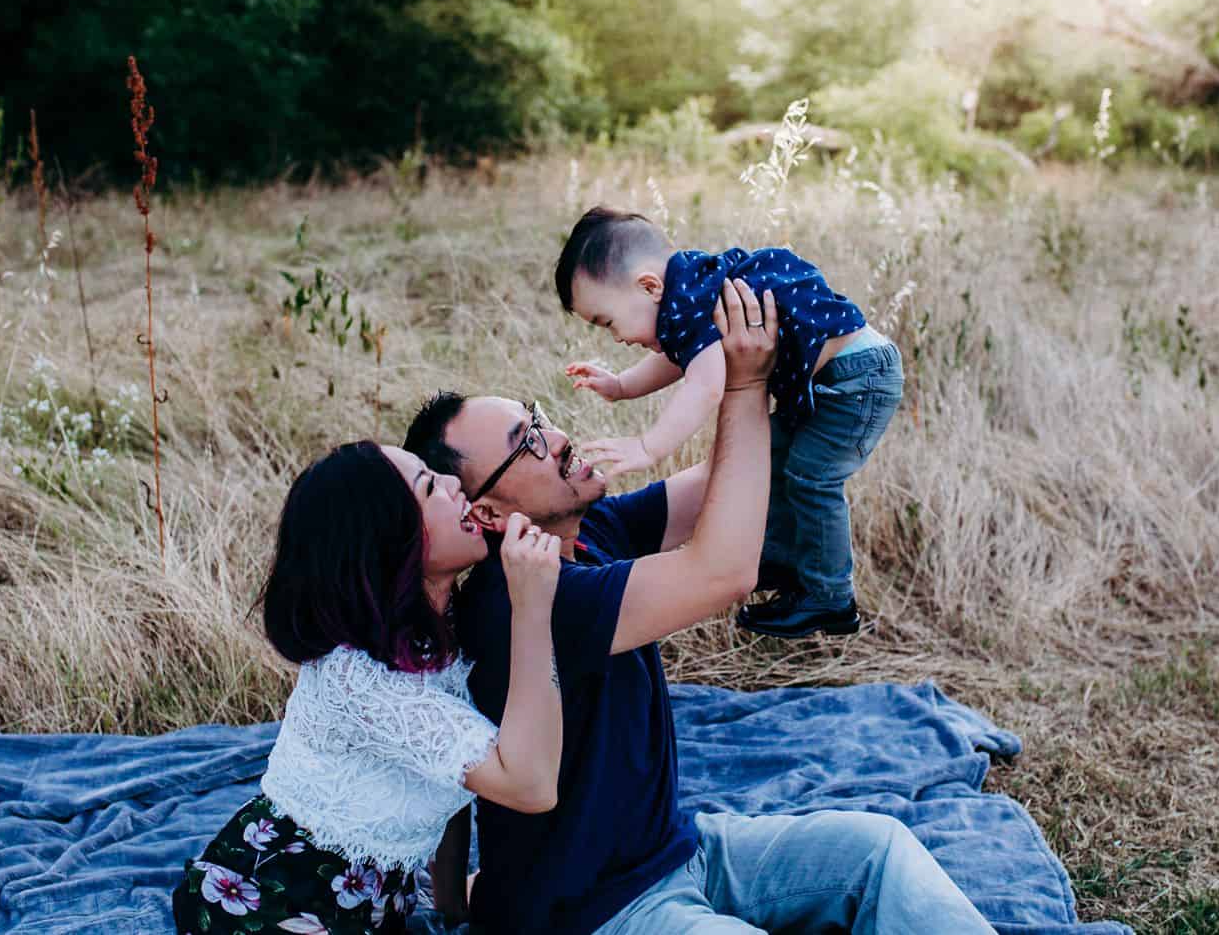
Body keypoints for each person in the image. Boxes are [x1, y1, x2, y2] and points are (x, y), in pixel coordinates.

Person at [405, 281, 993, 934]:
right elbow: (726, 571)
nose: (559, 436)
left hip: (683, 850)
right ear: (485, 512)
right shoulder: (522, 600)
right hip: (599, 911)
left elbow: (727, 483)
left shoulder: (588, 530)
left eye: (539, 417)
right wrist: (741, 387)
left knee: (878, 852)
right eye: (528, 442)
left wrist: (805, 367)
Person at [171, 441, 563, 935]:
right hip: (269, 910)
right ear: (394, 544)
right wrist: (533, 608)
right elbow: (530, 785)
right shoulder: (359, 682)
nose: (454, 485)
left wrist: (451, 904)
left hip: (373, 911)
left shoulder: (439, 634)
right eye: (430, 486)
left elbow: (451, 775)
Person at [557, 206, 904, 638]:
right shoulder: (689, 296)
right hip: (840, 378)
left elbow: (705, 384)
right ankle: (780, 559)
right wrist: (622, 386)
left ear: (649, 287)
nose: (616, 337)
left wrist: (650, 446)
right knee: (773, 458)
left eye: (608, 322)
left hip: (859, 377)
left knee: (811, 477)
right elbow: (681, 357)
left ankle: (831, 597)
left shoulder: (692, 298)